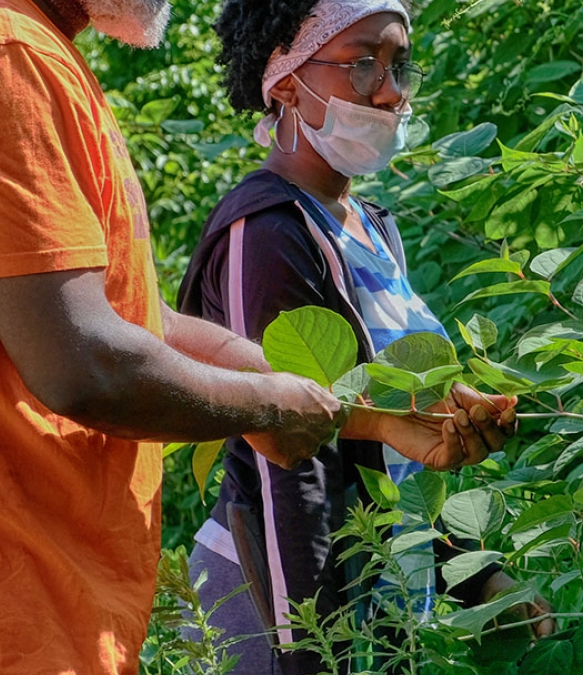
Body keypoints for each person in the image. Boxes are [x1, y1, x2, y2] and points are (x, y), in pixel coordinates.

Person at [0, 0, 510, 671]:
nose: (388, 92)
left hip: (16, 589)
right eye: (363, 65)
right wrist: (267, 410)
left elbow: (138, 319)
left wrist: (379, 413)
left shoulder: (30, 52)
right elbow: (82, 360)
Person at [176, 1, 553, 672]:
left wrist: (475, 572)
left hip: (383, 599)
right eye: (360, 64)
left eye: (399, 65)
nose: (389, 90)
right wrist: (315, 657)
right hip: (285, 616)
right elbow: (289, 465)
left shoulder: (371, 228)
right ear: (286, 81)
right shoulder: (264, 235)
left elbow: (396, 447)